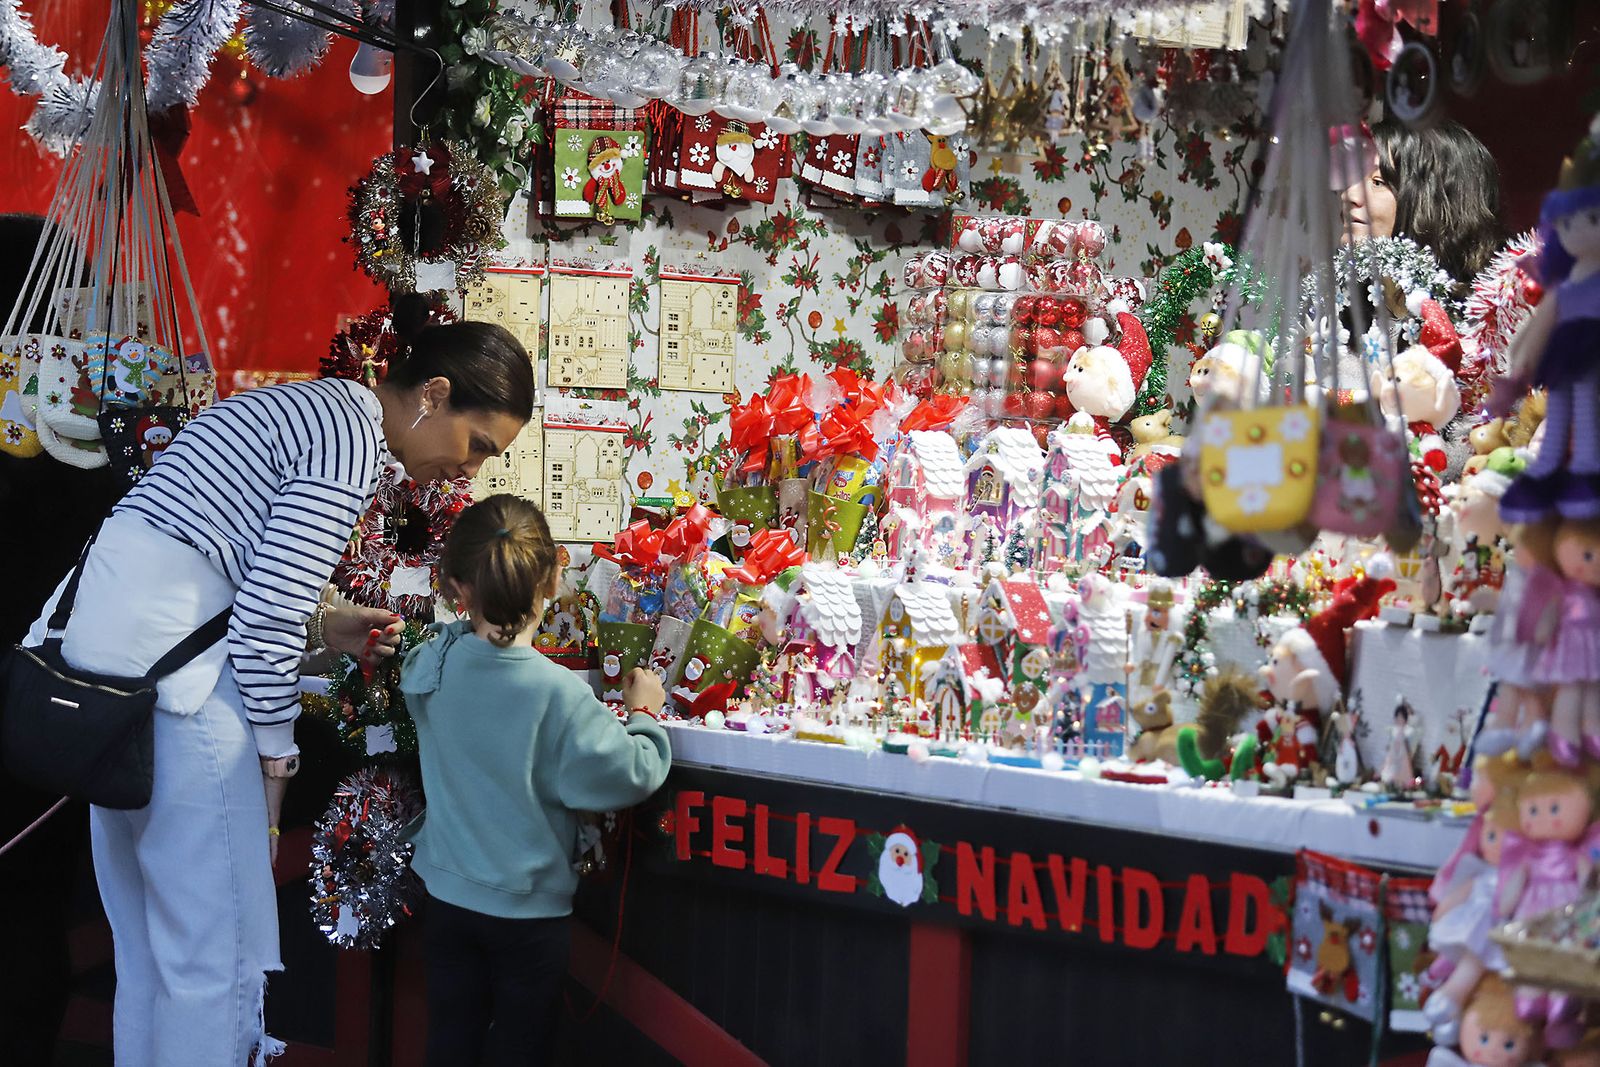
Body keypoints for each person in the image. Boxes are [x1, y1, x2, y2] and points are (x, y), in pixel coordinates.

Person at [18, 317, 534, 1065]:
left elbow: (218, 562)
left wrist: (326, 625)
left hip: (109, 698)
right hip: (179, 705)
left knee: (152, 964)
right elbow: (262, 621)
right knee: (216, 970)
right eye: (479, 443)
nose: (470, 471)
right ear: (434, 394)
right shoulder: (349, 441)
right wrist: (275, 760)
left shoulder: (301, 409)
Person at [400, 495, 671, 1067]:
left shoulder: (433, 668)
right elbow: (634, 773)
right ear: (554, 580)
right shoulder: (561, 695)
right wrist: (644, 714)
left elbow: (434, 646)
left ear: (455, 587)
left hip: (447, 899)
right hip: (528, 917)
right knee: (521, 1050)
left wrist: (460, 610)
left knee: (451, 1038)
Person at [1342, 119, 1504, 285]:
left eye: (1378, 182)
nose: (1348, 195)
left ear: (1435, 203)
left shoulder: (1493, 306)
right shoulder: (1330, 299)